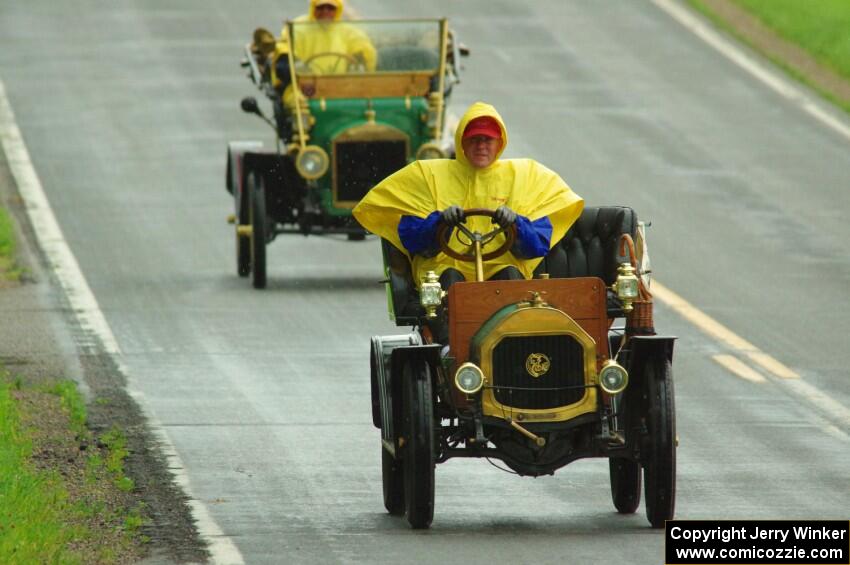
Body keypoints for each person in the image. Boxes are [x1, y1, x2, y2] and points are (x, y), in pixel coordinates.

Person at [353, 101, 584, 342]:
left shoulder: (525, 178)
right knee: (452, 281)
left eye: (487, 140)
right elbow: (412, 239)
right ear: (461, 142)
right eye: (474, 140)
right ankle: (449, 348)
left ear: (500, 143)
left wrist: (516, 224)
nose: (481, 146)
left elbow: (537, 245)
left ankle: (514, 345)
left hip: (501, 269)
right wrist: (440, 222)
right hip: (443, 269)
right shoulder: (427, 176)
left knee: (510, 277)